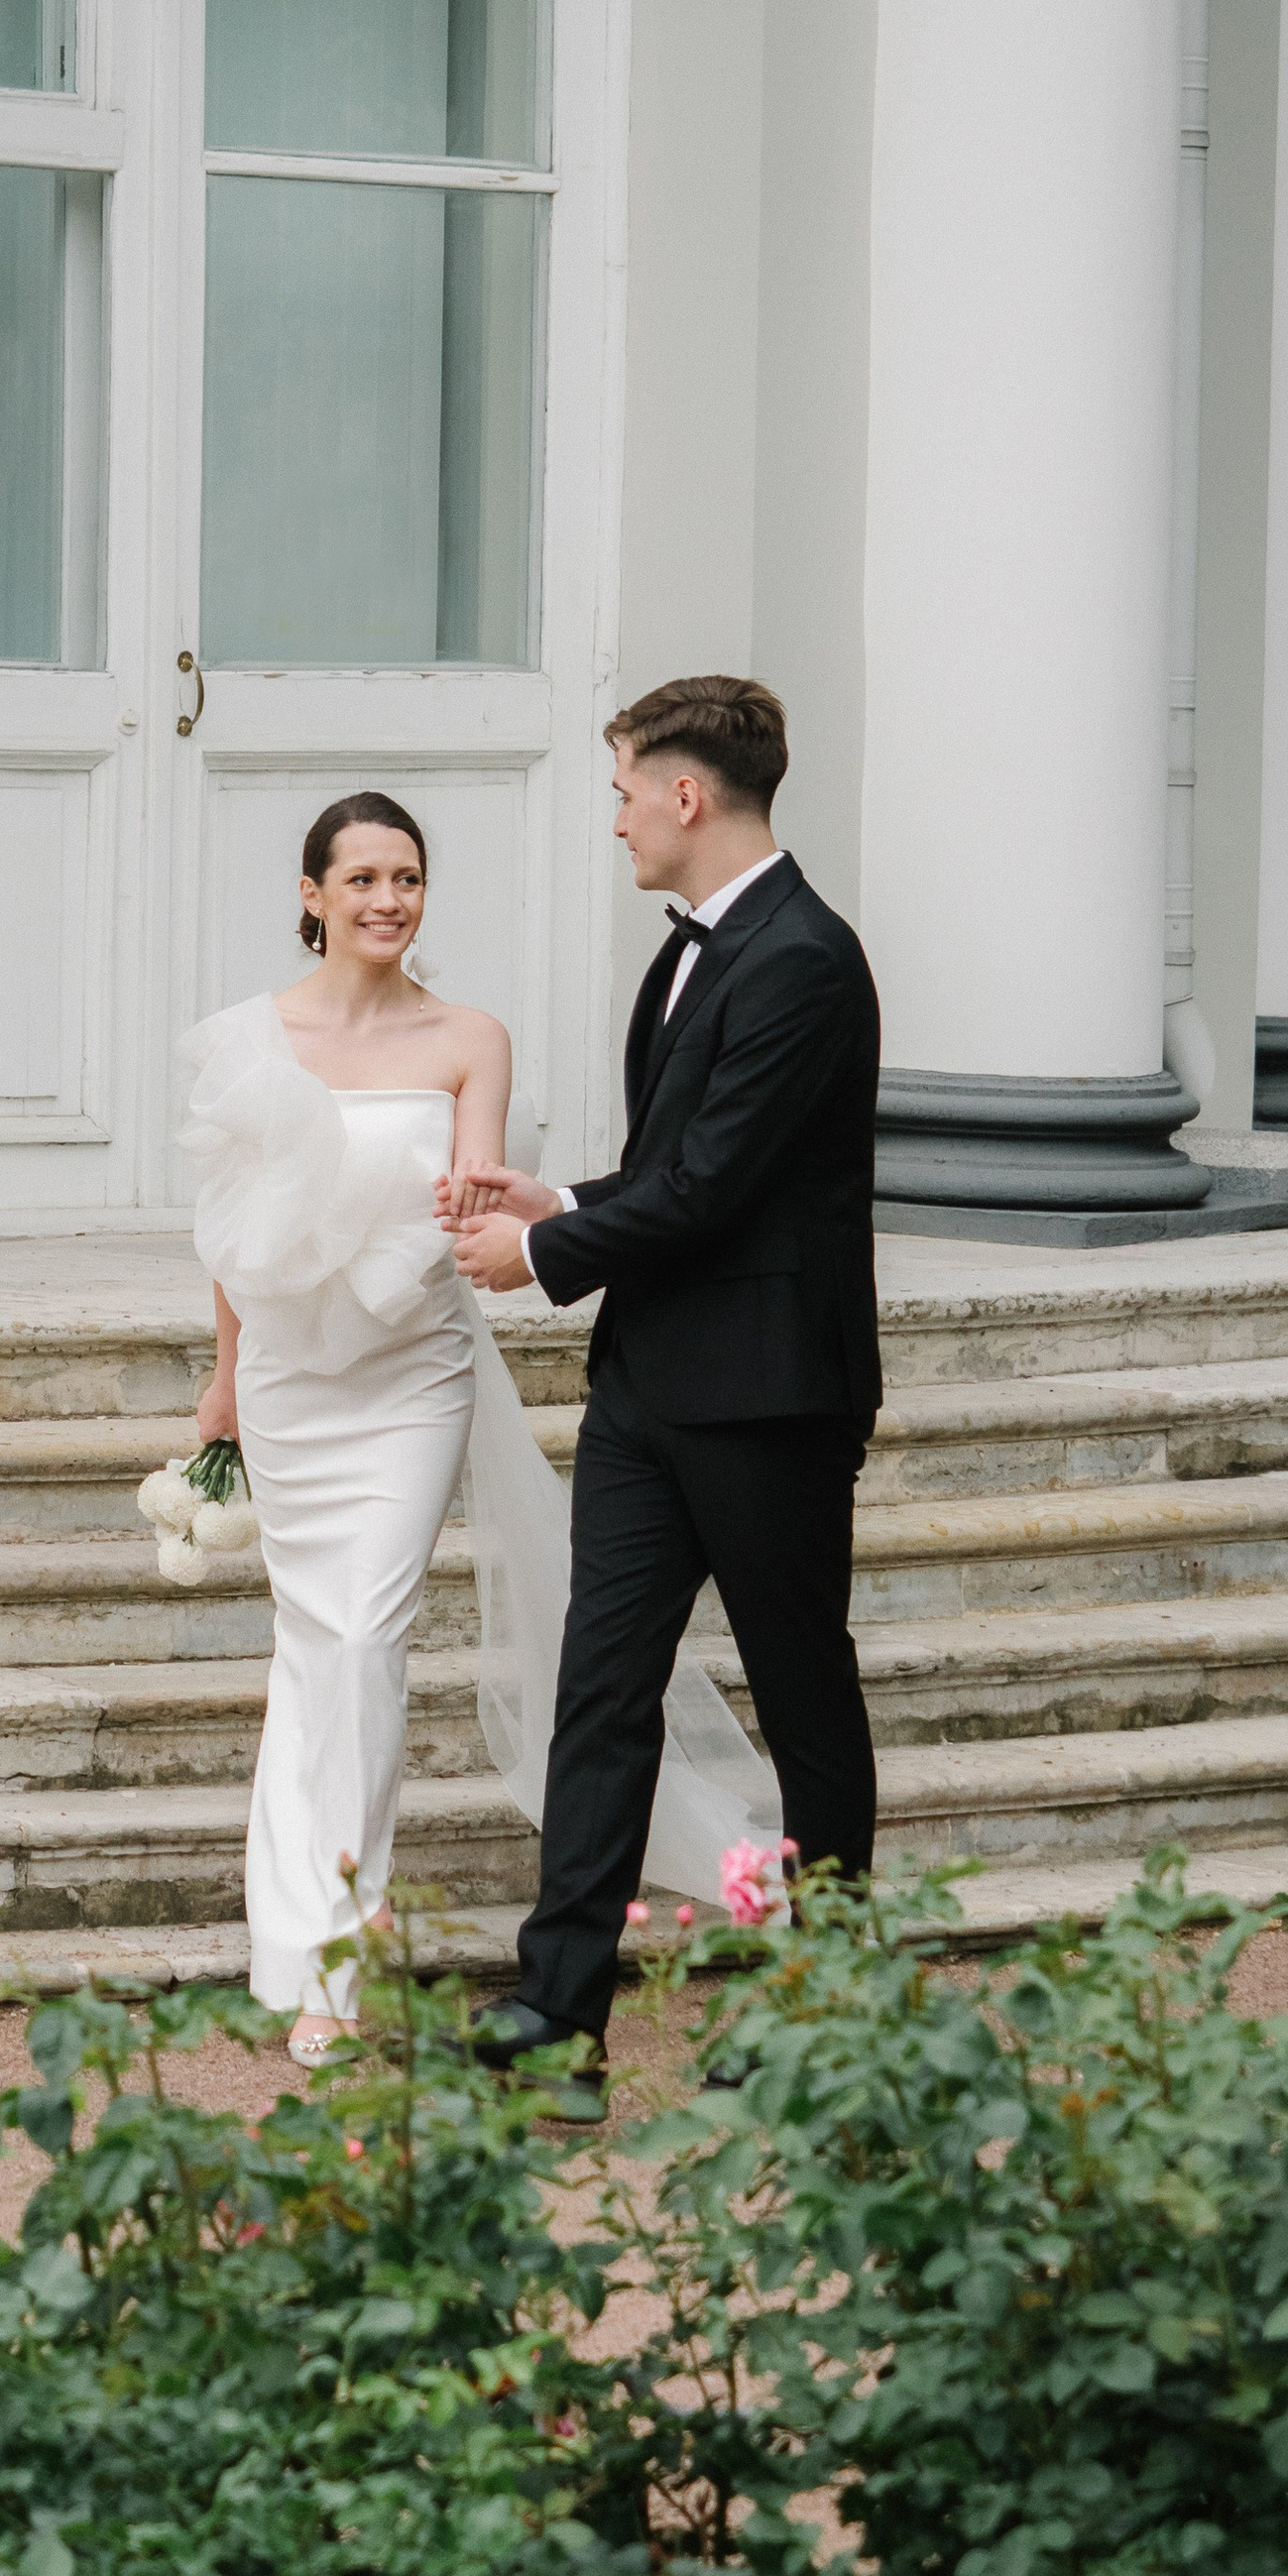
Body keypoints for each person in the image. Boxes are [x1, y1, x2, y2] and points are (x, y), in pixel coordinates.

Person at [186, 789, 781, 2065]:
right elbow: (230, 1237)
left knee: (364, 1634)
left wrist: (472, 1209)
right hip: (294, 1375)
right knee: (309, 1642)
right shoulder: (251, 1038)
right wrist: (225, 1379)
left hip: (413, 1368)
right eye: (360, 881)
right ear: (312, 897)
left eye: (406, 879)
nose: (387, 900)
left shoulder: (470, 1036)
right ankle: (301, 1949)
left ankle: (339, 1961)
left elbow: (472, 1205)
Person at [445, 673, 881, 2083]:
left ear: (688, 796)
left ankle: (826, 2013)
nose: (619, 819)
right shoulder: (691, 950)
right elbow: (687, 1167)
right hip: (647, 1388)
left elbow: (711, 1190)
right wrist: (563, 1189)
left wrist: (544, 1245)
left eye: (627, 789)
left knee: (800, 1693)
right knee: (602, 1689)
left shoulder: (806, 958)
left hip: (767, 1396)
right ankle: (557, 2007)